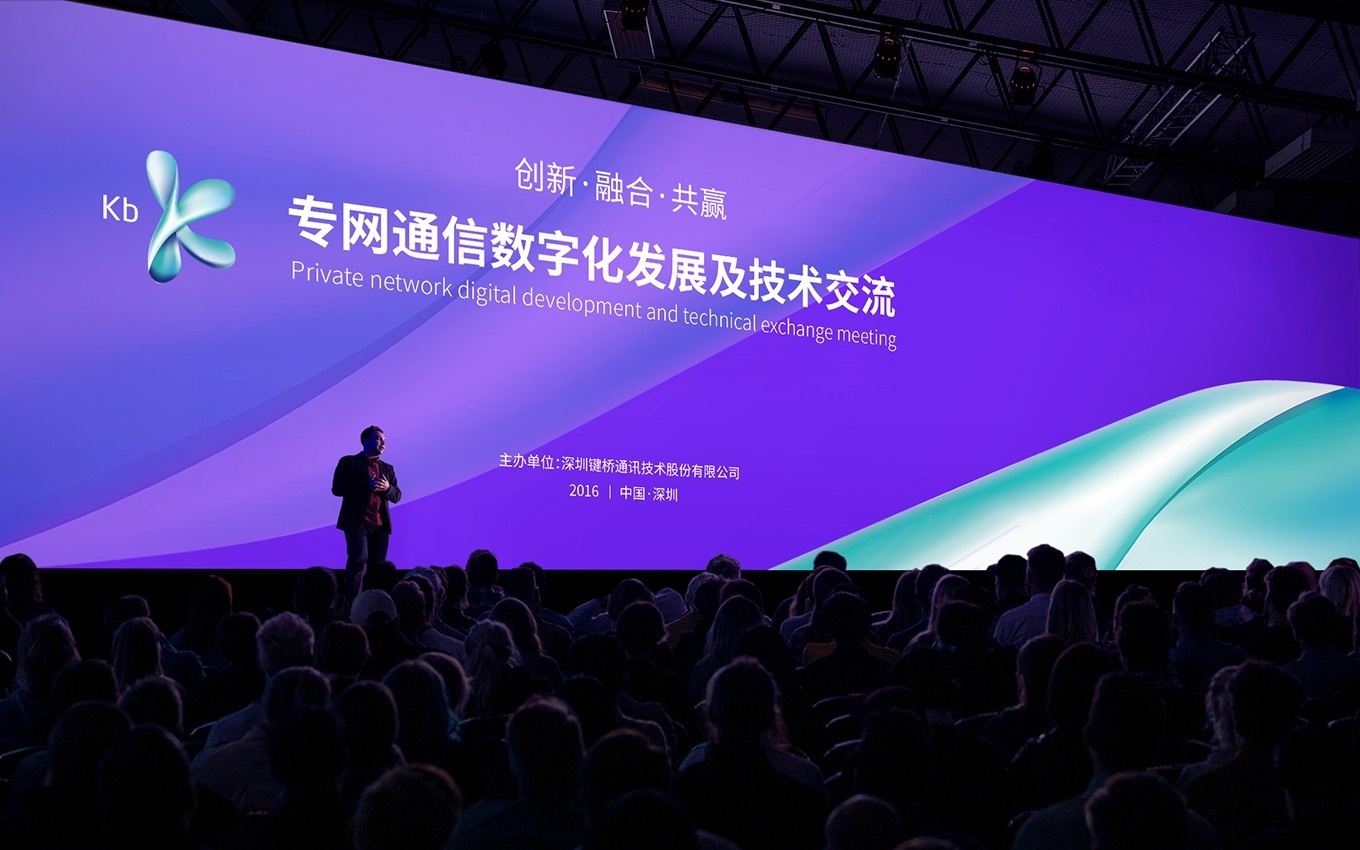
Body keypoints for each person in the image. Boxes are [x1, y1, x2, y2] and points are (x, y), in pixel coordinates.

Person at [333, 426, 402, 610]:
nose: (383, 443)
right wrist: (366, 485)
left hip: (380, 524)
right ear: (365, 440)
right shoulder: (349, 462)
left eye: (384, 440)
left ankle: (376, 607)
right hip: (357, 521)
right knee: (358, 559)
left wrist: (387, 488)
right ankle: (353, 606)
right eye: (378, 439)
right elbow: (337, 488)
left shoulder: (388, 468)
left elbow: (397, 496)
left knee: (378, 567)